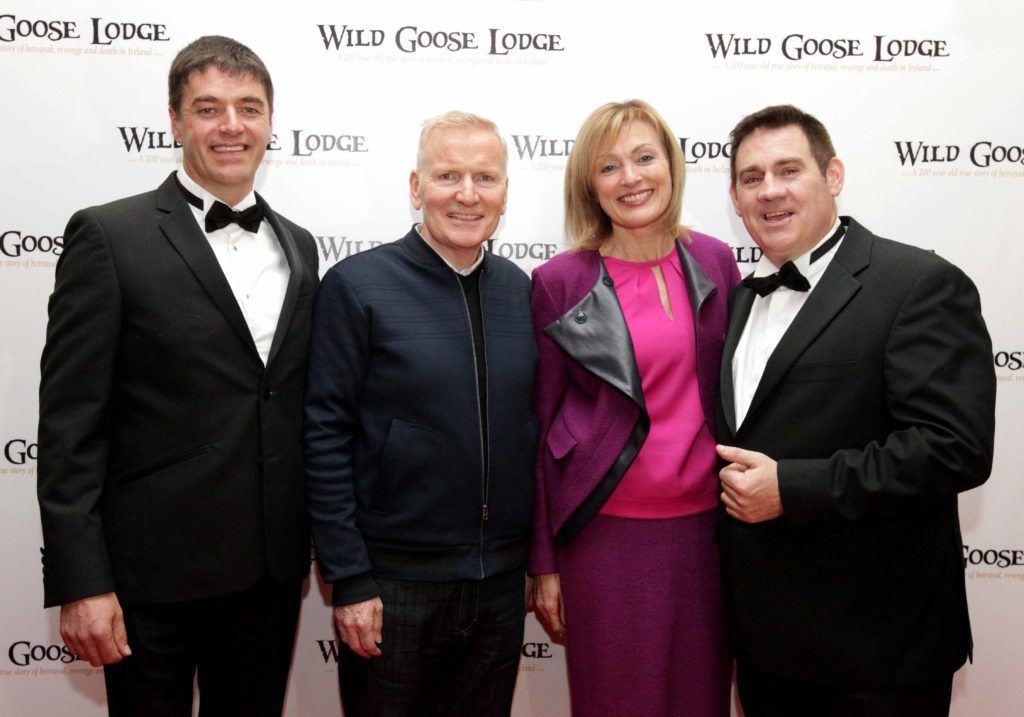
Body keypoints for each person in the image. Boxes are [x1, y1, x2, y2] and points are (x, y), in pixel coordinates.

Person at [36, 35, 318, 716]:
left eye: (249, 108)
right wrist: (83, 580)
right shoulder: (109, 236)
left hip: (268, 577)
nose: (231, 126)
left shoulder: (300, 246)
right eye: (209, 108)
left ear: (270, 123)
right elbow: (70, 423)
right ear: (175, 120)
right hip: (147, 580)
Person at [716, 104, 996, 716]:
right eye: (751, 178)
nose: (770, 191)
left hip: (879, 651)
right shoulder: (742, 300)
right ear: (735, 198)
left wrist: (792, 487)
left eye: (788, 170)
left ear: (833, 175)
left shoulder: (916, 283)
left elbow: (955, 448)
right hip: (766, 649)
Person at [304, 111, 536, 717]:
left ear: (505, 192)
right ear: (415, 187)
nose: (466, 194)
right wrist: (349, 577)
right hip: (392, 585)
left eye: (485, 177)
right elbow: (323, 435)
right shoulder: (358, 287)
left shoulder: (523, 291)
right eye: (447, 175)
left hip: (501, 584)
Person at [530, 99, 739, 716]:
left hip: (707, 532)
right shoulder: (559, 281)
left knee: (700, 700)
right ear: (590, 186)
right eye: (609, 167)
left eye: (645, 158)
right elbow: (540, 426)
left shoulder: (716, 262)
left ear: (671, 166)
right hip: (603, 537)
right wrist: (544, 562)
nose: (632, 178)